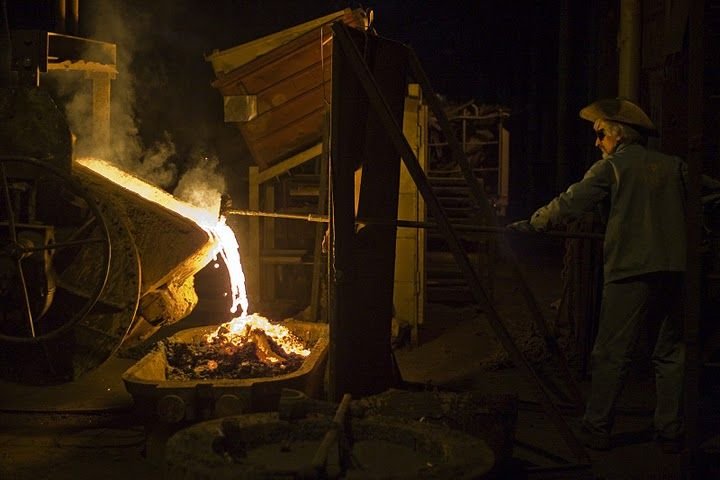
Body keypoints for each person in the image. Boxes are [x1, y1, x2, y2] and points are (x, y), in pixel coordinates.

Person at [509, 98, 718, 452]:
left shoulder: (612, 168)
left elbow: (571, 201)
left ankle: (597, 427)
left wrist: (534, 224)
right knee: (671, 349)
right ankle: (669, 427)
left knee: (611, 352)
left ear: (618, 136)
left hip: (630, 268)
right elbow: (712, 191)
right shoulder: (675, 166)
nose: (597, 142)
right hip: (675, 269)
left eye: (600, 133)